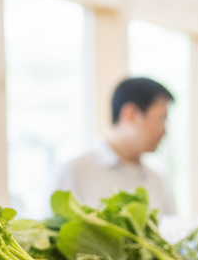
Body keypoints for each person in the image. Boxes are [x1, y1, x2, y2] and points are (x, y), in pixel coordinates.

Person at [57, 77, 177, 213]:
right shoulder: (74, 171)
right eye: (160, 119)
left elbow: (171, 230)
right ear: (130, 114)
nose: (163, 131)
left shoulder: (155, 179)